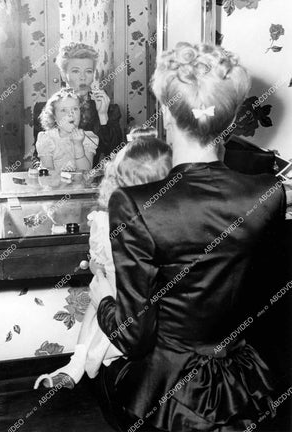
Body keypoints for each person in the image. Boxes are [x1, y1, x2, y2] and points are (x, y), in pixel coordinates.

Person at [89, 42, 286, 431]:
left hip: (165, 394)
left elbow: (134, 337)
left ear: (165, 111)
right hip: (240, 384)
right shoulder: (269, 193)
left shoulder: (133, 203)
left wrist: (103, 302)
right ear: (229, 119)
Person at [34, 137, 172, 390]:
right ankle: (78, 362)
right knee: (98, 298)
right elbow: (100, 266)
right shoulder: (117, 222)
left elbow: (99, 265)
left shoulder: (107, 221)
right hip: (126, 301)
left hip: (133, 310)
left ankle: (79, 362)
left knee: (101, 301)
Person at [34, 43, 124, 167]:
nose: (83, 77)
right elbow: (37, 157)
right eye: (76, 71)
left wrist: (103, 116)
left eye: (88, 71)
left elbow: (116, 156)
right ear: (63, 75)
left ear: (93, 74)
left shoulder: (109, 110)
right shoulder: (46, 110)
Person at [36, 88, 98, 171]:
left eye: (75, 109)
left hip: (80, 183)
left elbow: (86, 171)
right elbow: (47, 171)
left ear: (81, 112)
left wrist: (78, 145)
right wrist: (61, 175)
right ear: (54, 117)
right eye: (63, 110)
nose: (70, 114)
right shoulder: (47, 139)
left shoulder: (87, 138)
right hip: (55, 182)